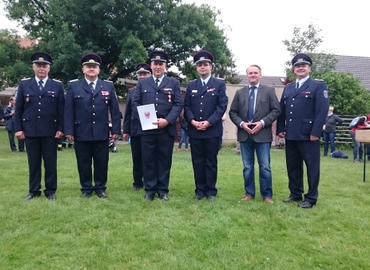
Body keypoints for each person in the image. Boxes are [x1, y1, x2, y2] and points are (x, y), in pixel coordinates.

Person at [64, 52, 121, 199]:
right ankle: (86, 188)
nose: (91, 68)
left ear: (99, 70)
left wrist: (115, 129)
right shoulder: (74, 86)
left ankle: (101, 187)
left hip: (102, 131)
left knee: (101, 162)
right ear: (83, 69)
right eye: (88, 66)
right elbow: (68, 110)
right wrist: (69, 130)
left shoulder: (108, 86)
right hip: (81, 131)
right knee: (83, 162)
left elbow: (115, 110)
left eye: (94, 66)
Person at [277, 53, 329, 208]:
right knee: (293, 166)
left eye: (303, 66)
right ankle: (295, 193)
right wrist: (280, 128)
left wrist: (316, 132)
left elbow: (322, 110)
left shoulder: (318, 86)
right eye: (297, 66)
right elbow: (282, 110)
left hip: (308, 135)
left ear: (309, 69)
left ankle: (311, 197)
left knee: (312, 167)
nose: (300, 68)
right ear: (294, 69)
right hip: (291, 134)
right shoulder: (289, 88)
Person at [132, 50, 183, 201]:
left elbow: (178, 104)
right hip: (147, 128)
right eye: (155, 63)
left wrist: (167, 120)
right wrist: (146, 118)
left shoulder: (173, 83)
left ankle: (162, 189)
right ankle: (150, 189)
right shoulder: (142, 82)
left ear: (165, 66)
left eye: (161, 64)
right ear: (151, 65)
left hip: (166, 128)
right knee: (148, 159)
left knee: (164, 159)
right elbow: (135, 102)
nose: (158, 67)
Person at [14, 51, 65, 200]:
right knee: (33, 162)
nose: (41, 68)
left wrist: (61, 128)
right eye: (38, 65)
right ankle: (34, 190)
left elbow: (61, 110)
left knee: (50, 163)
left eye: (45, 66)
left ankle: (50, 191)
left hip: (50, 131)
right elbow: (19, 110)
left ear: (49, 68)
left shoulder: (57, 86)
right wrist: (18, 128)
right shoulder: (24, 85)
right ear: (33, 67)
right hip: (31, 130)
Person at [229, 65, 281, 204]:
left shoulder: (269, 91)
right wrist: (242, 124)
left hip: (262, 135)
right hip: (245, 135)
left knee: (264, 166)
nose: (253, 75)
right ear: (247, 76)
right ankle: (249, 193)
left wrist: (262, 123)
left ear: (260, 75)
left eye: (255, 73)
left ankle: (267, 195)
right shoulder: (240, 93)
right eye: (250, 73)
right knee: (247, 167)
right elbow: (232, 112)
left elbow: (276, 110)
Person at [184, 50, 228, 200]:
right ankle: (199, 190)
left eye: (205, 65)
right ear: (197, 68)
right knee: (197, 161)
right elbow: (187, 106)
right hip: (195, 130)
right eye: (200, 65)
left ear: (211, 67)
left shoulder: (219, 84)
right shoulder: (191, 85)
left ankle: (210, 191)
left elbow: (221, 106)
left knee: (210, 161)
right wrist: (193, 121)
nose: (203, 67)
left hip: (212, 131)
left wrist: (209, 122)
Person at [123, 62, 152, 190]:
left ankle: (148, 181)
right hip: (135, 128)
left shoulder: (152, 89)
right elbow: (128, 111)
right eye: (140, 74)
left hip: (149, 127)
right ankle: (137, 182)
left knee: (149, 156)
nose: (142, 76)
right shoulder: (132, 91)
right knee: (137, 157)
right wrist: (126, 130)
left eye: (145, 74)